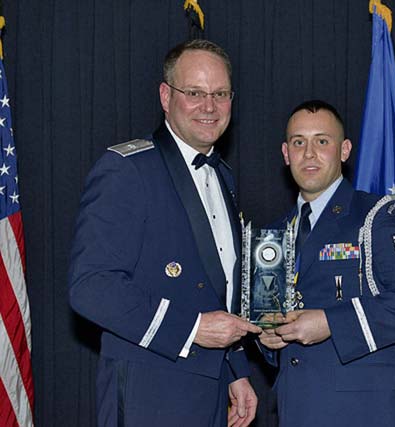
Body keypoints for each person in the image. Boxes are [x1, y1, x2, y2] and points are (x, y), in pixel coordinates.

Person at [68, 39, 262, 427]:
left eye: (220, 94)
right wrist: (192, 329)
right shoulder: (127, 169)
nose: (209, 106)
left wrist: (235, 370)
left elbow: (215, 287)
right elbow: (90, 287)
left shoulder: (222, 176)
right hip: (150, 391)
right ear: (165, 96)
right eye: (195, 93)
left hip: (210, 390)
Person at [258, 100, 395, 427]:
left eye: (322, 141)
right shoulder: (272, 237)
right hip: (295, 411)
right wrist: (269, 339)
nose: (309, 153)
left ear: (344, 150)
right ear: (286, 154)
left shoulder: (377, 215)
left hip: (364, 413)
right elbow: (270, 325)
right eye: (299, 142)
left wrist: (331, 323)